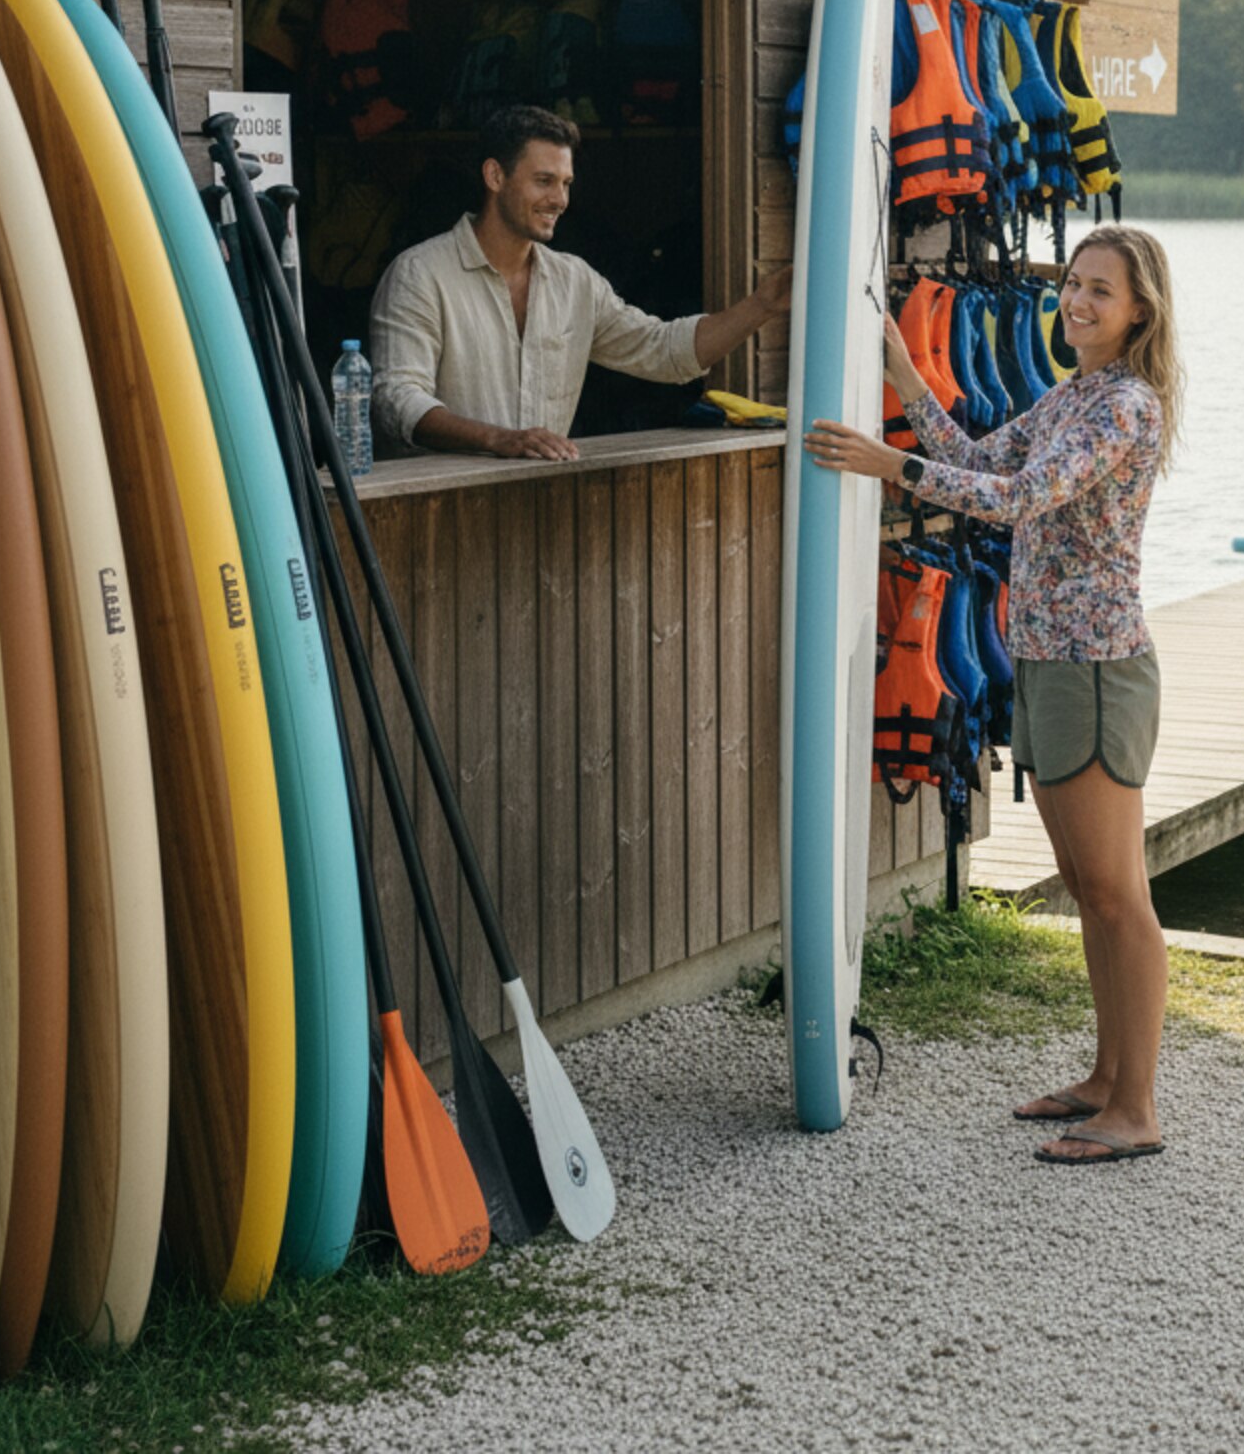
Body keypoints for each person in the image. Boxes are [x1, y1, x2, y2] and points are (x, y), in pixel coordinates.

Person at [804, 225, 1181, 1167]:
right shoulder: (1071, 395)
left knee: (1117, 894)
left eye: (1101, 291)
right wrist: (900, 368)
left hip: (1097, 670)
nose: (1078, 302)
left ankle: (1136, 1108)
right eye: (1075, 284)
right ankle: (1105, 1078)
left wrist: (886, 465)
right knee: (1089, 890)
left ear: (1140, 311)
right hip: (1047, 662)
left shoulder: (1125, 407)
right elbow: (977, 457)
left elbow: (1017, 498)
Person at [369, 104, 789, 460]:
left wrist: (764, 304)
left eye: (566, 183)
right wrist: (499, 439)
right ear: (495, 176)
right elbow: (397, 400)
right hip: (438, 517)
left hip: (540, 510)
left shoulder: (575, 281)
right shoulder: (419, 274)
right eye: (544, 181)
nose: (560, 200)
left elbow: (663, 351)